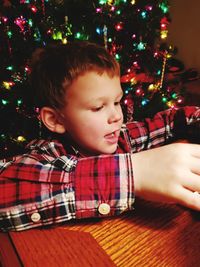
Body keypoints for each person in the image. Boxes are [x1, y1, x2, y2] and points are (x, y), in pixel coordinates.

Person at [0, 41, 200, 232]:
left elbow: (172, 120)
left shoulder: (122, 137)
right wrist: (135, 173)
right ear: (55, 120)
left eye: (117, 102)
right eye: (98, 107)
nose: (116, 116)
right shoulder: (47, 153)